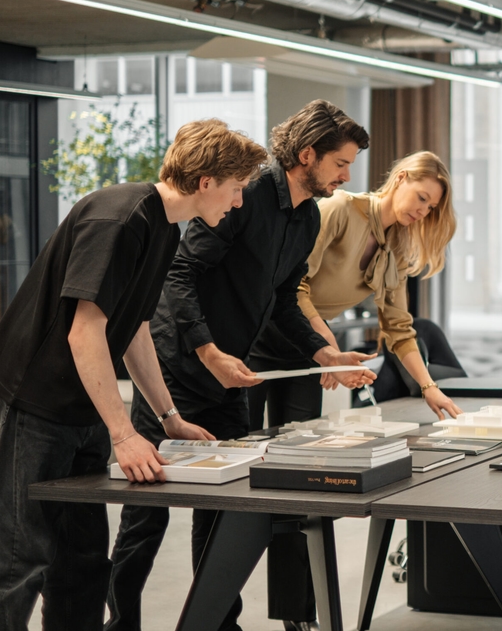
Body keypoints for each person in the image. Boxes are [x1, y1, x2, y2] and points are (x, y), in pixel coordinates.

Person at [0, 119, 266, 631]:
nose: (239, 201)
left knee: (83, 561)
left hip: (86, 403)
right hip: (38, 400)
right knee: (23, 559)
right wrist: (124, 433)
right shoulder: (120, 218)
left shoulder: (165, 228)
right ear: (206, 182)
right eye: (237, 188)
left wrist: (169, 417)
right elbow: (84, 332)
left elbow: (135, 329)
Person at [105, 100, 375, 631]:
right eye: (341, 163)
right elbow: (180, 273)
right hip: (177, 369)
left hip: (232, 378)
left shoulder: (307, 217)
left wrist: (324, 352)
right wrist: (207, 351)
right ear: (307, 154)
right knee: (146, 514)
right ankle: (121, 624)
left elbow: (282, 298)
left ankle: (216, 624)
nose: (347, 176)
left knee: (223, 512)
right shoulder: (245, 193)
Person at [246, 150, 461, 630]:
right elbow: (293, 284)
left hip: (308, 352)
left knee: (299, 484)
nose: (423, 211)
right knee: (241, 477)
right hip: (258, 340)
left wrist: (429, 387)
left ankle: (296, 616)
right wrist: (326, 348)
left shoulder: (396, 245)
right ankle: (221, 610)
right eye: (421, 197)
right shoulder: (341, 209)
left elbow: (399, 328)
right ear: (400, 178)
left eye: (431, 207)